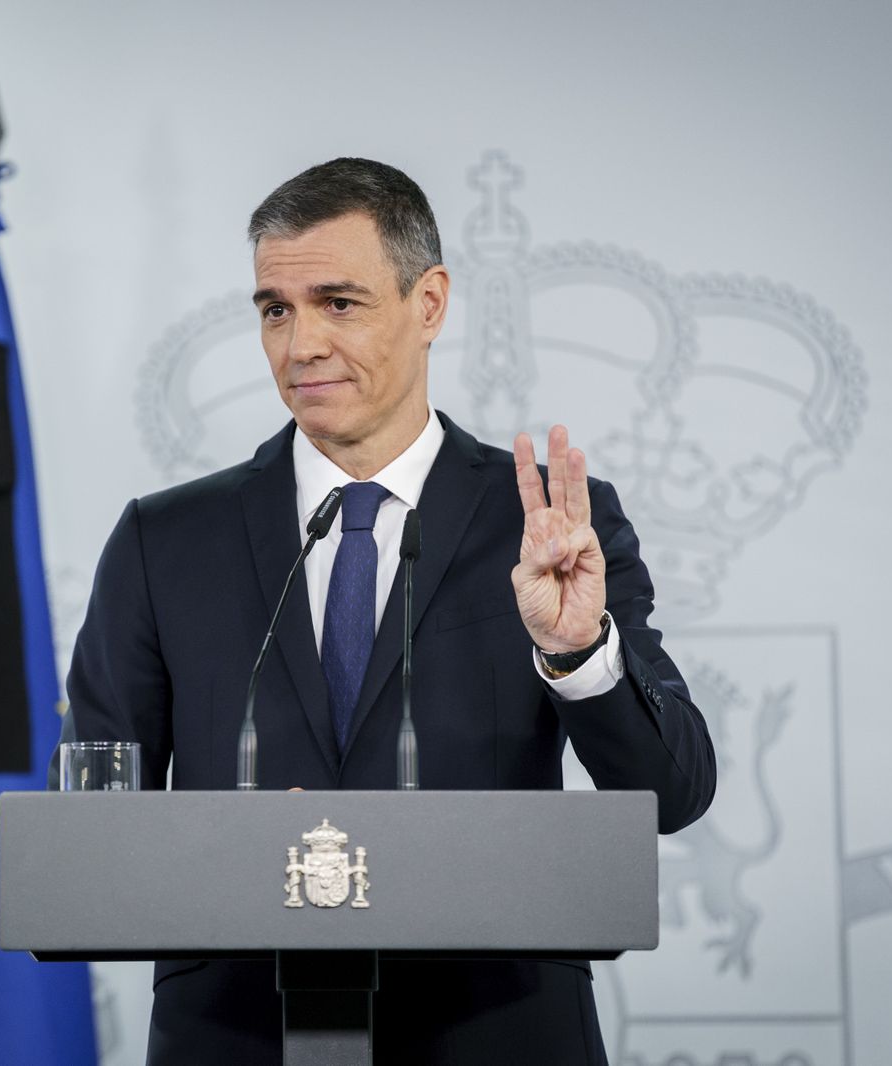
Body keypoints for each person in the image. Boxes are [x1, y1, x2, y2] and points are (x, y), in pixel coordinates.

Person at [61, 157, 716, 1065]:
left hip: (494, 1034)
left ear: (431, 303)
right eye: (274, 310)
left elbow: (674, 791)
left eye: (339, 303)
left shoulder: (546, 528)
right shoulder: (164, 541)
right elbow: (92, 835)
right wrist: (234, 850)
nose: (300, 346)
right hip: (241, 1035)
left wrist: (576, 656)